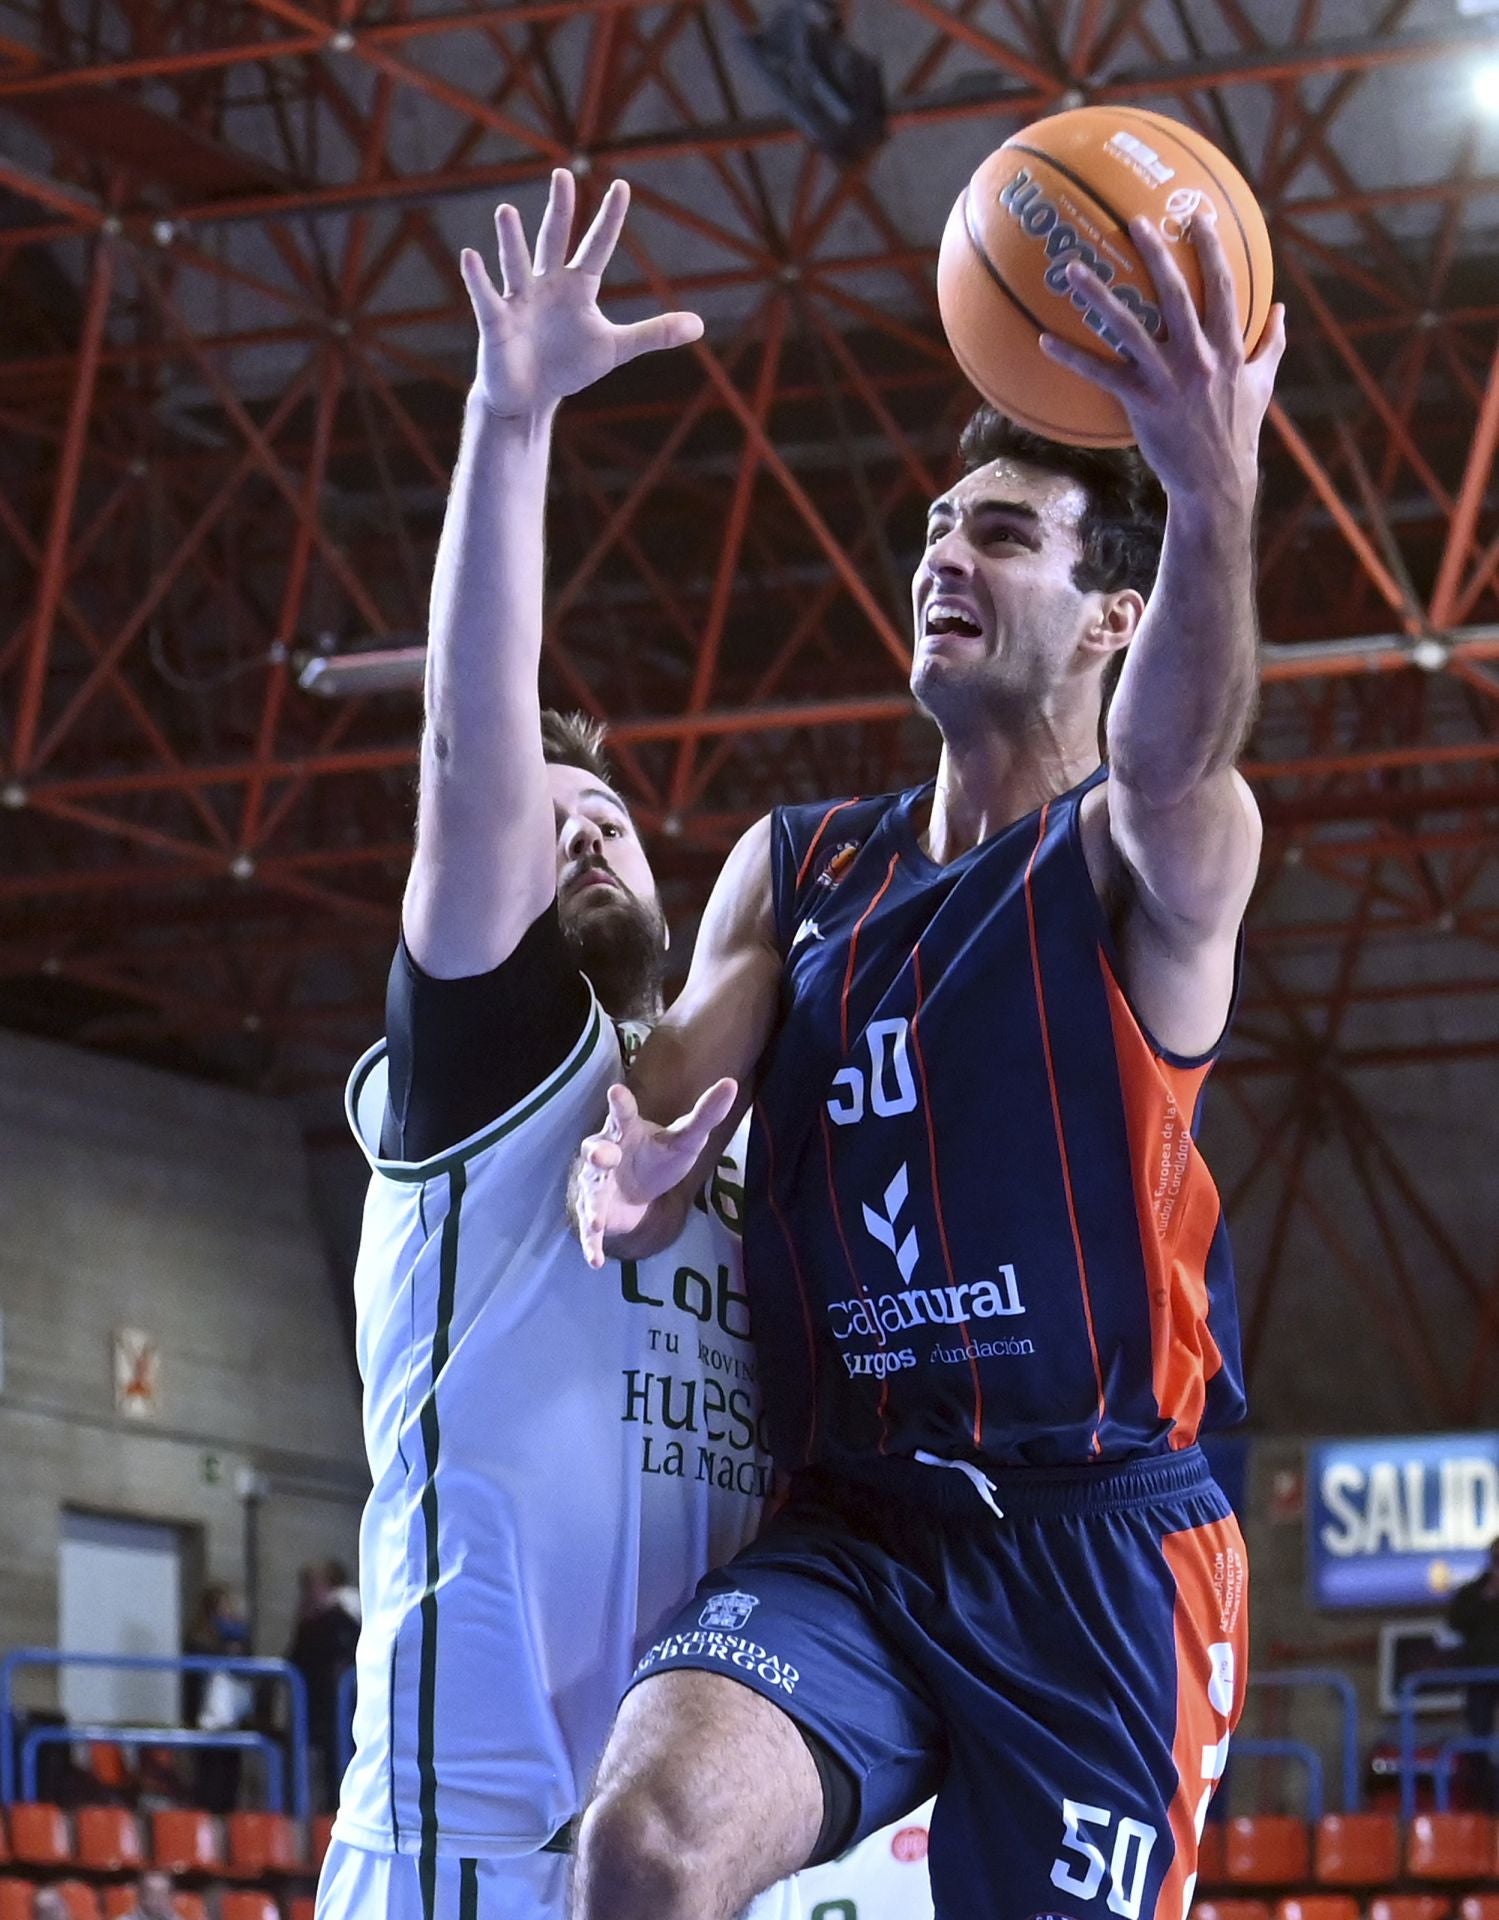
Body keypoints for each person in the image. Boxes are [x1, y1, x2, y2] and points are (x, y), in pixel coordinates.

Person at [573, 211, 1286, 1920]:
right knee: (644, 1845)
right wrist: (635, 1144)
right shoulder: (800, 865)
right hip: (862, 1524)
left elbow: (1182, 757)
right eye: (932, 530)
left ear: (1116, 613)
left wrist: (1208, 497)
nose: (941, 560)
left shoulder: (1142, 863)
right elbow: (673, 1081)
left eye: (1001, 535)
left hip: (1100, 1542)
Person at [316, 171, 922, 1920]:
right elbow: (469, 752)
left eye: (611, 817)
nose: (579, 833)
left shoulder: (733, 1120)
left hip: (704, 1870)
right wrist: (510, 423)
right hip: (462, 1871)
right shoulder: (494, 1075)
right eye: (546, 815)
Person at [287, 1561, 360, 1812]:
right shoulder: (310, 1620)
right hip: (317, 1700)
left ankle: (340, 1804)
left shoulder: (346, 1613)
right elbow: (297, 1657)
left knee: (343, 1754)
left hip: (345, 1703)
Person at [183, 1582, 250, 1814]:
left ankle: (228, 1812)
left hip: (231, 1716)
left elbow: (246, 1670)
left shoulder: (236, 1636)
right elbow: (195, 1674)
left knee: (231, 1769)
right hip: (206, 1715)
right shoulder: (198, 1638)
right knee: (209, 1772)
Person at [1448, 1534, 1499, 1808]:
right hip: (1479, 1678)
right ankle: (1486, 1803)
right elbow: (1455, 1622)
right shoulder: (1472, 1591)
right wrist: (1487, 1598)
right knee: (1478, 1741)